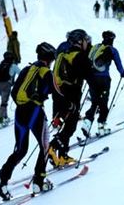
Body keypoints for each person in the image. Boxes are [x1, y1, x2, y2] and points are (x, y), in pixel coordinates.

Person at [0, 42, 57, 201]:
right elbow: (54, 90)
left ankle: (1, 178)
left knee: (20, 150)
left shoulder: (27, 69)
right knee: (44, 146)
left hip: (20, 112)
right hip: (35, 112)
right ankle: (39, 181)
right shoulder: (45, 71)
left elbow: (14, 92)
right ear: (49, 59)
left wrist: (24, 103)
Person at [48, 29, 92, 167]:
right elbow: (88, 72)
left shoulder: (64, 53)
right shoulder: (77, 56)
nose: (87, 42)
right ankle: (52, 147)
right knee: (71, 125)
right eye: (85, 40)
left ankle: (62, 155)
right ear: (80, 41)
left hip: (60, 92)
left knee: (68, 123)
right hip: (69, 92)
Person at [81, 31, 124, 137]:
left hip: (91, 78)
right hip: (104, 79)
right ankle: (101, 126)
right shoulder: (112, 50)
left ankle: (87, 123)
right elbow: (119, 65)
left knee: (95, 102)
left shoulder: (95, 47)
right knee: (103, 102)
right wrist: (123, 73)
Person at [0, 52, 20, 128]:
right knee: (4, 102)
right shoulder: (13, 66)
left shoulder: (1, 65)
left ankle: (5, 117)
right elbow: (21, 74)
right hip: (6, 85)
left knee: (4, 100)